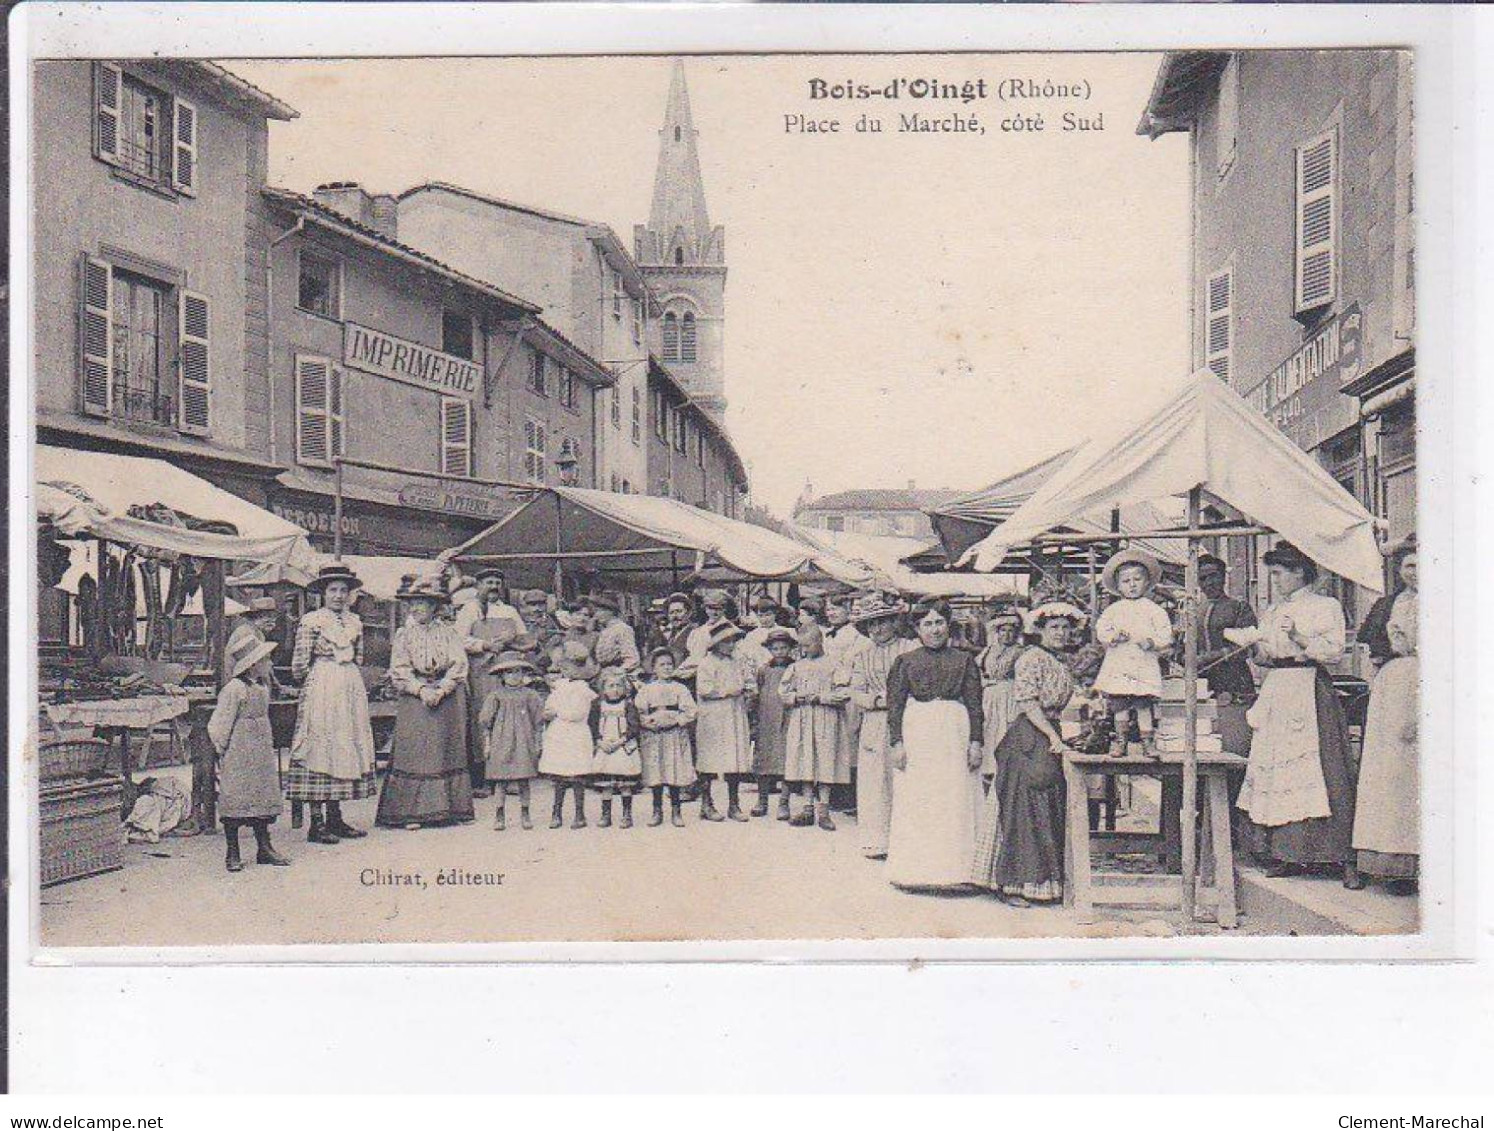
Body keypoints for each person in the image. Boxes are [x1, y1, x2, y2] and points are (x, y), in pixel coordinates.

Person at [1238, 542, 1360, 885]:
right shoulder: (1275, 610)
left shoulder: (1326, 606)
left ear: (1299, 572)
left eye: (1278, 573)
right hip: (1278, 686)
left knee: (1322, 766)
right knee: (1277, 765)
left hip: (1308, 686)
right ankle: (1286, 852)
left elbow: (1334, 651)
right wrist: (1252, 646)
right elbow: (1266, 656)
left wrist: (1298, 636)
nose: (1274, 580)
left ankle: (1337, 854)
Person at [971, 602, 1084, 906]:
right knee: (1023, 803)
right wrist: (1050, 735)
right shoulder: (1031, 658)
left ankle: (1040, 881)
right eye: (1054, 628)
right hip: (1029, 734)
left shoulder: (1058, 660)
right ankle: (1014, 884)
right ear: (1041, 631)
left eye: (1065, 628)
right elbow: (1027, 701)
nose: (1061, 633)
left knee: (1043, 804)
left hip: (1048, 730)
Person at [884, 600, 984, 891]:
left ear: (948, 625)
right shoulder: (906, 661)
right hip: (919, 734)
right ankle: (916, 872)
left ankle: (958, 872)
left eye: (939, 622)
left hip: (954, 732)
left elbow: (976, 705)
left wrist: (975, 742)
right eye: (927, 624)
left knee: (954, 797)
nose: (934, 629)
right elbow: (895, 706)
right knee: (920, 797)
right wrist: (897, 743)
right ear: (917, 628)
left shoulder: (964, 660)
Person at [288, 563, 377, 846]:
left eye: (343, 591)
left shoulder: (355, 622)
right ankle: (317, 823)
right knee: (321, 744)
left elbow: (359, 658)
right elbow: (299, 665)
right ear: (323, 594)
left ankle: (335, 817)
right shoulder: (312, 621)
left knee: (344, 743)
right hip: (323, 685)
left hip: (348, 685)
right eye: (333, 590)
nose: (339, 596)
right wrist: (318, 676)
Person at [376, 579, 474, 831]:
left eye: (422, 603)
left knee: (443, 747)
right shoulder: (404, 634)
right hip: (414, 696)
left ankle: (446, 810)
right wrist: (420, 689)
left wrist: (441, 689)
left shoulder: (449, 632)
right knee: (415, 750)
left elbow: (459, 664)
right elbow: (398, 668)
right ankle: (411, 812)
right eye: (413, 603)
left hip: (445, 694)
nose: (416, 608)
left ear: (434, 607)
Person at [1351, 543, 1419, 894]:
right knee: (1386, 773)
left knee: (1413, 774)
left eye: (1421, 565)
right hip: (1391, 683)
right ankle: (1390, 863)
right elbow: (1372, 643)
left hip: (1423, 684)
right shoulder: (1391, 604)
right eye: (1409, 565)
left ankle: (1419, 859)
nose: (1414, 572)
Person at [208, 629, 290, 872]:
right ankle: (232, 851)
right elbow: (220, 722)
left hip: (260, 750)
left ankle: (264, 847)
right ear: (253, 665)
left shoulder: (261, 688)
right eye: (266, 660)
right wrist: (221, 748)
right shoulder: (234, 689)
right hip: (239, 750)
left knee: (261, 795)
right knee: (236, 796)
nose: (270, 663)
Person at [848, 596, 917, 858]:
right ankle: (878, 839)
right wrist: (877, 700)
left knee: (905, 774)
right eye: (871, 624)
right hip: (876, 720)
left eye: (882, 622)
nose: (877, 630)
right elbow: (856, 690)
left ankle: (907, 840)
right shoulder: (862, 655)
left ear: (894, 622)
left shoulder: (909, 648)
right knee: (876, 779)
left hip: (908, 717)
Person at [1093, 548, 1174, 758]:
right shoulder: (1114, 610)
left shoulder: (1154, 610)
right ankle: (1121, 742)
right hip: (1120, 663)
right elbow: (1102, 629)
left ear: (1147, 582)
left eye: (1137, 579)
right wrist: (1113, 637)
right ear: (1118, 586)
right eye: (1126, 581)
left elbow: (1166, 633)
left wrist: (1153, 642)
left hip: (1143, 663)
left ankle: (1148, 742)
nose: (1132, 585)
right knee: (1120, 705)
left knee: (1143, 704)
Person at [455, 568, 526, 799]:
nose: (493, 587)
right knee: (483, 721)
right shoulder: (469, 610)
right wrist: (484, 645)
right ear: (478, 586)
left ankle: (510, 776)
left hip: (506, 672)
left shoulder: (510, 611)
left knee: (509, 719)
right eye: (488, 582)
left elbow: (523, 638)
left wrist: (512, 642)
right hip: (481, 673)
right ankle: (483, 779)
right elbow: (458, 640)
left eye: (497, 582)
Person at [780, 623, 853, 830]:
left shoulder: (833, 665)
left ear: (819, 642)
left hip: (826, 717)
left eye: (808, 645)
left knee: (825, 759)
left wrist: (822, 697)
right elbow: (783, 691)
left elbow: (845, 693)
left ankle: (824, 810)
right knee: (806, 759)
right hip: (802, 718)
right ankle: (807, 808)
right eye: (801, 646)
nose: (804, 650)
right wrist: (796, 697)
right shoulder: (796, 666)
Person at [693, 620, 755, 822]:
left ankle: (733, 804)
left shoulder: (737, 661)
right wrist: (729, 691)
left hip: (734, 714)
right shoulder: (707, 663)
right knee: (709, 759)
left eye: (733, 642)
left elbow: (746, 680)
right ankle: (706, 803)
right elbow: (704, 689)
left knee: (733, 758)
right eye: (726, 642)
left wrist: (748, 690)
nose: (731, 646)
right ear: (716, 644)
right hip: (713, 715)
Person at [479, 651, 546, 831]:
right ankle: (499, 814)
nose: (514, 676)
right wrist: (487, 744)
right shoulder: (495, 696)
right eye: (509, 672)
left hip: (524, 741)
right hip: (501, 741)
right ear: (502, 675)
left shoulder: (530, 695)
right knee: (501, 780)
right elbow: (486, 723)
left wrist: (538, 742)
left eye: (518, 672)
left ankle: (525, 813)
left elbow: (538, 721)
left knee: (524, 779)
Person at [539, 641, 600, 829]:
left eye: (567, 667)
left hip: (575, 735)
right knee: (559, 777)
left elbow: (577, 714)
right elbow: (549, 706)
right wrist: (550, 711)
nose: (563, 670)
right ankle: (556, 813)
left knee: (576, 777)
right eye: (562, 667)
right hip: (559, 735)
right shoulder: (560, 685)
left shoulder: (583, 689)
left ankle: (579, 814)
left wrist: (557, 712)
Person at [636, 648, 698, 827]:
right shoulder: (647, 689)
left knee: (673, 771)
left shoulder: (680, 688)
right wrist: (647, 722)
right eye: (662, 665)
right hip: (654, 734)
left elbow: (691, 711)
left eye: (670, 664)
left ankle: (676, 811)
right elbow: (640, 710)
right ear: (654, 668)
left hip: (674, 734)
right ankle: (657, 811)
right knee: (656, 772)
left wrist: (677, 721)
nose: (667, 668)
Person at [1185, 554, 1259, 704]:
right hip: (1200, 682)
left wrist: (1210, 657)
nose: (1209, 583)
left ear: (1224, 577)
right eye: (1203, 579)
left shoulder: (1239, 607)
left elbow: (1249, 647)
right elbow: (1183, 647)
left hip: (1235, 681)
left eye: (1213, 576)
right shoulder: (1192, 612)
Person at [975, 603, 1026, 789]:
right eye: (1002, 630)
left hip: (1010, 695)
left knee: (1005, 732)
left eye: (1011, 630)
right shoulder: (989, 651)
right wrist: (984, 683)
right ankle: (988, 773)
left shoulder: (1020, 652)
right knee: (989, 732)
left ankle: (1005, 775)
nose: (1007, 635)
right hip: (989, 697)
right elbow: (978, 670)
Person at [751, 627, 797, 820]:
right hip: (766, 719)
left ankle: (784, 803)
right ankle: (762, 801)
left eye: (783, 648)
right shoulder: (763, 670)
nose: (779, 652)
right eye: (775, 648)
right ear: (769, 649)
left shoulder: (795, 668)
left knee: (786, 760)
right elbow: (758, 693)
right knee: (764, 760)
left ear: (790, 649)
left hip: (787, 718)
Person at [590, 667, 644, 828]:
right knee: (606, 784)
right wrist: (600, 742)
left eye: (619, 685)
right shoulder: (598, 706)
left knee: (625, 784)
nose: (615, 689)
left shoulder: (628, 705)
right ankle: (606, 814)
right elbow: (592, 726)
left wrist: (620, 741)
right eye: (611, 686)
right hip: (605, 747)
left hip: (623, 747)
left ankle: (626, 814)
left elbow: (634, 727)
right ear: (603, 688)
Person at [592, 593, 641, 676]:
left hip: (617, 675)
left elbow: (632, 659)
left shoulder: (622, 629)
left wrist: (616, 673)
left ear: (610, 611)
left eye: (599, 611)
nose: (596, 615)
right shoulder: (605, 631)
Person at [738, 595, 784, 672]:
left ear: (775, 614)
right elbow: (746, 656)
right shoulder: (752, 636)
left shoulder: (785, 631)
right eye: (761, 616)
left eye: (768, 615)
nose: (765, 619)